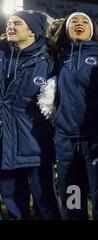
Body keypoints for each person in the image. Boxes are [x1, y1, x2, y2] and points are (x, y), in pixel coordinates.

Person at [49, 12, 98, 219]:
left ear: (92, 29)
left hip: (95, 139)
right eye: (74, 21)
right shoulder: (57, 56)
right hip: (65, 140)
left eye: (85, 21)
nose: (79, 24)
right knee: (72, 196)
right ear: (66, 29)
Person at [0, 11, 61, 220]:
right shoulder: (2, 55)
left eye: (17, 23)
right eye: (9, 23)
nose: (10, 26)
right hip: (5, 142)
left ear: (32, 31)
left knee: (46, 203)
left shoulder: (49, 61)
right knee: (14, 203)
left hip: (35, 143)